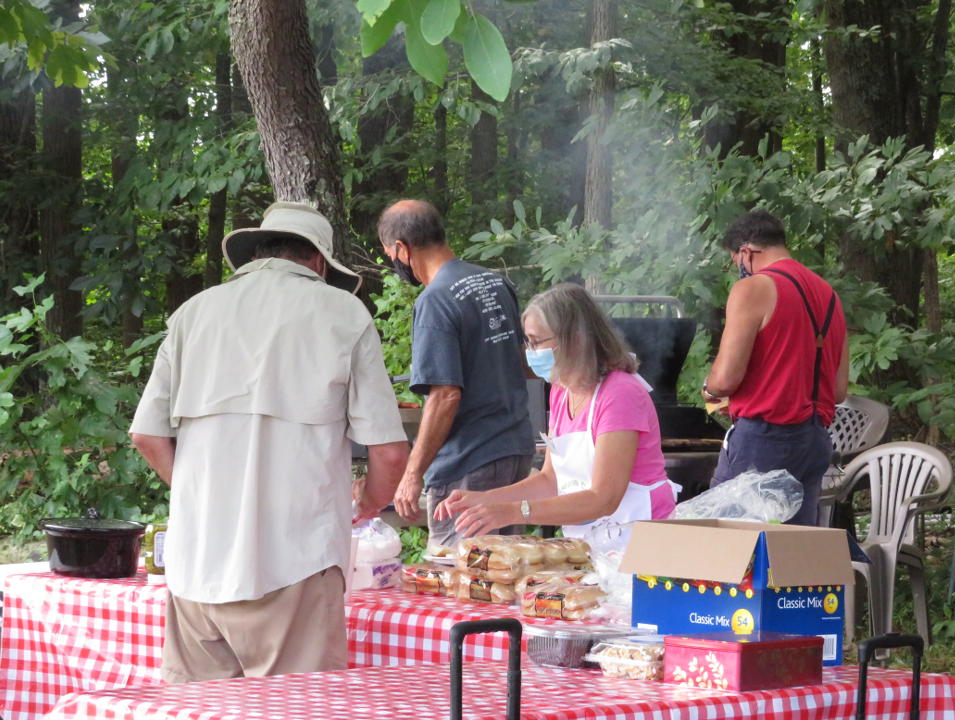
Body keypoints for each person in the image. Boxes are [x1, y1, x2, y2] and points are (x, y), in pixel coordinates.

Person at [129, 201, 409, 683]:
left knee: (200, 717)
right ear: (319, 262)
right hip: (293, 565)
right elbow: (388, 450)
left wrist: (200, 497)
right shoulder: (342, 312)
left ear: (258, 251)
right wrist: (369, 501)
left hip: (196, 567)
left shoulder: (192, 313)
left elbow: (146, 434)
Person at [435, 283, 680, 546]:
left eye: (537, 341)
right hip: (591, 544)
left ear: (575, 338)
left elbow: (604, 498)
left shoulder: (620, 394)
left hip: (641, 543)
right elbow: (550, 480)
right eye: (528, 342)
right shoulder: (561, 391)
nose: (531, 351)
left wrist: (515, 512)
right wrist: (485, 498)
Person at [377, 199, 533, 549]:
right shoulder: (497, 283)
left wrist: (413, 474)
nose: (394, 262)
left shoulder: (436, 300)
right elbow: (523, 364)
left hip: (469, 461)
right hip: (515, 449)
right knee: (503, 572)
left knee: (463, 574)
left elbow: (445, 394)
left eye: (390, 254)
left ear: (402, 248)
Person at [701, 209, 849, 525]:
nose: (738, 269)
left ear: (745, 252)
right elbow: (837, 391)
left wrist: (709, 390)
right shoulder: (830, 296)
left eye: (735, 262)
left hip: (763, 441)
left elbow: (726, 379)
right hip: (813, 442)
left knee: (726, 547)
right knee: (788, 559)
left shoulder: (753, 288)